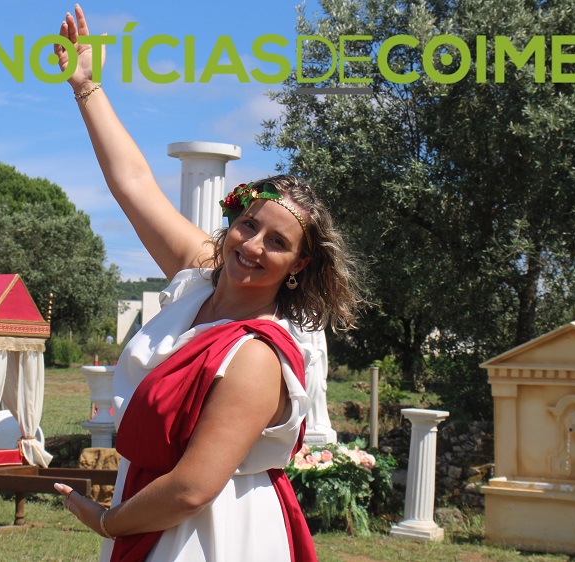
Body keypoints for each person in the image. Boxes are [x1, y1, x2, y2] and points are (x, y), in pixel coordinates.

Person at [51, 6, 363, 561]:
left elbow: (192, 489)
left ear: (298, 265)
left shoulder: (257, 355)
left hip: (212, 530)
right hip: (151, 504)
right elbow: (134, 184)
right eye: (249, 225)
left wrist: (108, 521)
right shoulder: (200, 275)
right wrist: (87, 86)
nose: (252, 246)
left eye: (277, 242)